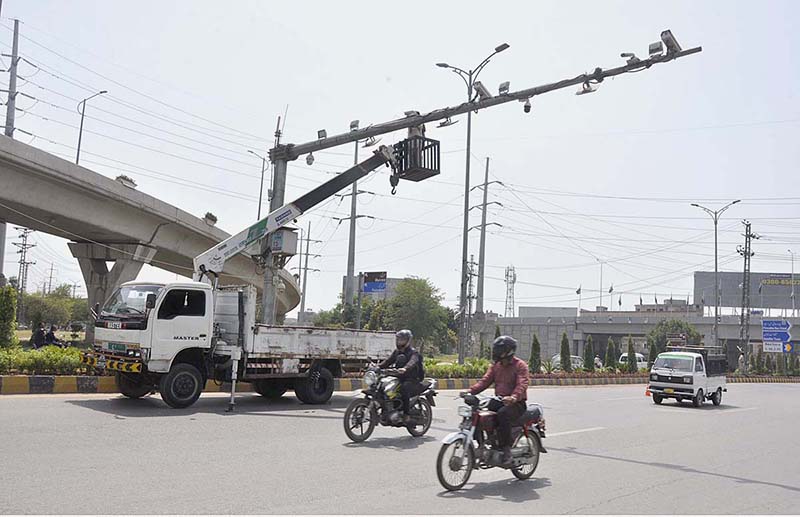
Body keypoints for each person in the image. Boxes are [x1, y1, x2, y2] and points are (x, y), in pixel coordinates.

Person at [466, 335, 530, 465]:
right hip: (500, 400)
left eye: (500, 350)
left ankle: (506, 450)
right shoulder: (496, 366)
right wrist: (470, 391)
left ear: (508, 351)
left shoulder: (520, 365)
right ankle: (484, 442)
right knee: (479, 414)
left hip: (517, 404)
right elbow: (485, 381)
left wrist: (513, 397)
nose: (496, 353)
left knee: (502, 414)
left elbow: (522, 383)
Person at [379, 329, 424, 421]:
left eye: (402, 340)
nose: (400, 342)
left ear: (408, 341)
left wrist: (405, 368)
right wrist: (377, 367)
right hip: (399, 377)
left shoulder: (414, 352)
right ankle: (387, 410)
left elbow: (413, 361)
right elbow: (388, 361)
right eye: (399, 339)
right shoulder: (397, 352)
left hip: (412, 379)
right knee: (383, 386)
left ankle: (406, 414)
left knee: (404, 388)